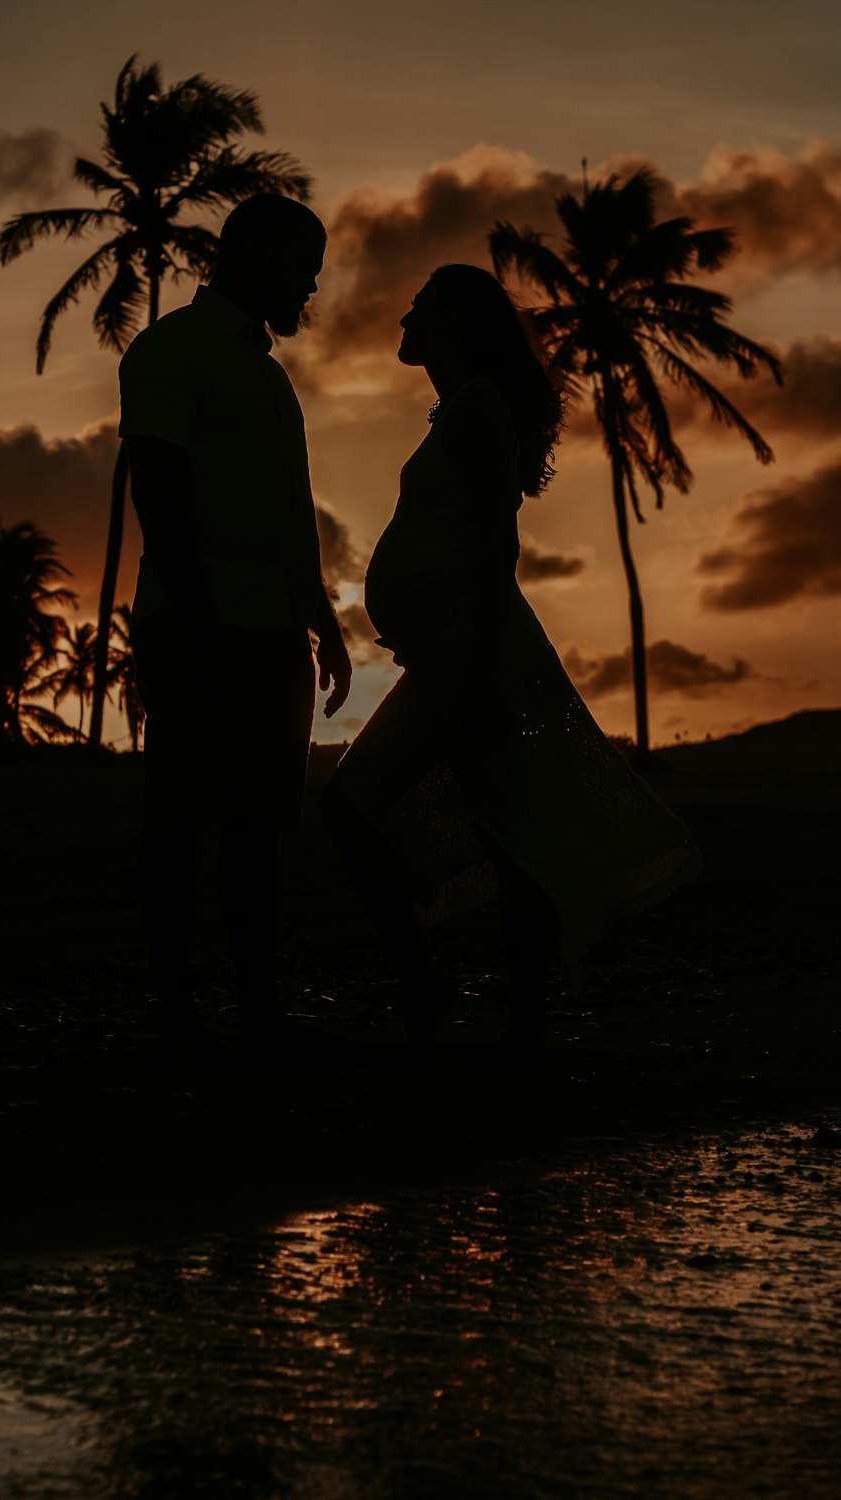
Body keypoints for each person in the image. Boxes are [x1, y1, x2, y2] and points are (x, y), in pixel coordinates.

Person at [323, 263, 702, 1054]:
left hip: (473, 653)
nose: (403, 320)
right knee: (500, 825)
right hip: (451, 651)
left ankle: (463, 1001)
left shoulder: (480, 409)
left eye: (419, 306)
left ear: (456, 319)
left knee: (365, 805)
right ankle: (495, 1013)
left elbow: (499, 543)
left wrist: (476, 665)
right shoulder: (460, 410)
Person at [119, 194, 352, 1051]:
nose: (310, 290)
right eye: (303, 269)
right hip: (195, 622)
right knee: (179, 814)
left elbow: (292, 513)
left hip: (272, 628)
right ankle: (177, 1013)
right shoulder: (170, 354)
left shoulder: (266, 373)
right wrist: (201, 622)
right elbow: (159, 492)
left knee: (258, 825)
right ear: (256, 256)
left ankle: (258, 1008)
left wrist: (322, 622)